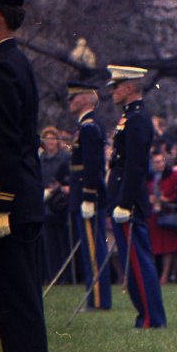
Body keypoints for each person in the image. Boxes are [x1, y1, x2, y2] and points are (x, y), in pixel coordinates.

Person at [0, 0, 53, 352]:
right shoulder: (7, 62)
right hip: (12, 203)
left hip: (5, 207)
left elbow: (5, 143)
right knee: (16, 309)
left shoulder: (0, 67)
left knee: (17, 311)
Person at [106, 64, 167, 328]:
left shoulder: (138, 119)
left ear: (129, 87)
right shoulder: (129, 117)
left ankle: (152, 318)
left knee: (139, 263)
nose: (112, 92)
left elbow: (135, 165)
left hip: (128, 201)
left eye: (116, 86)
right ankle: (145, 314)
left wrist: (123, 202)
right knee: (134, 262)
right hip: (122, 195)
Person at [66, 80, 113, 309]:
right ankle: (97, 297)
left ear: (84, 98)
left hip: (88, 197)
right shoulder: (85, 126)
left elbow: (92, 166)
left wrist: (88, 196)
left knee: (93, 251)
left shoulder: (89, 127)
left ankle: (97, 300)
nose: (70, 102)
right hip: (85, 196)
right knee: (91, 249)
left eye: (73, 97)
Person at [39, 125, 72, 285]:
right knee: (48, 242)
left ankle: (65, 277)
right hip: (44, 202)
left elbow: (68, 178)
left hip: (60, 203)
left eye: (53, 138)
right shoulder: (40, 159)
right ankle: (52, 276)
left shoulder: (64, 158)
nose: (50, 142)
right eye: (47, 139)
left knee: (62, 241)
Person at [147, 150, 177, 284]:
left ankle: (165, 275)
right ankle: (153, 275)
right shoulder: (149, 177)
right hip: (153, 215)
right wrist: (149, 198)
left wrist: (166, 199)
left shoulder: (173, 176)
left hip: (168, 214)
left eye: (162, 161)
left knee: (168, 247)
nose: (160, 164)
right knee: (154, 246)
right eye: (157, 162)